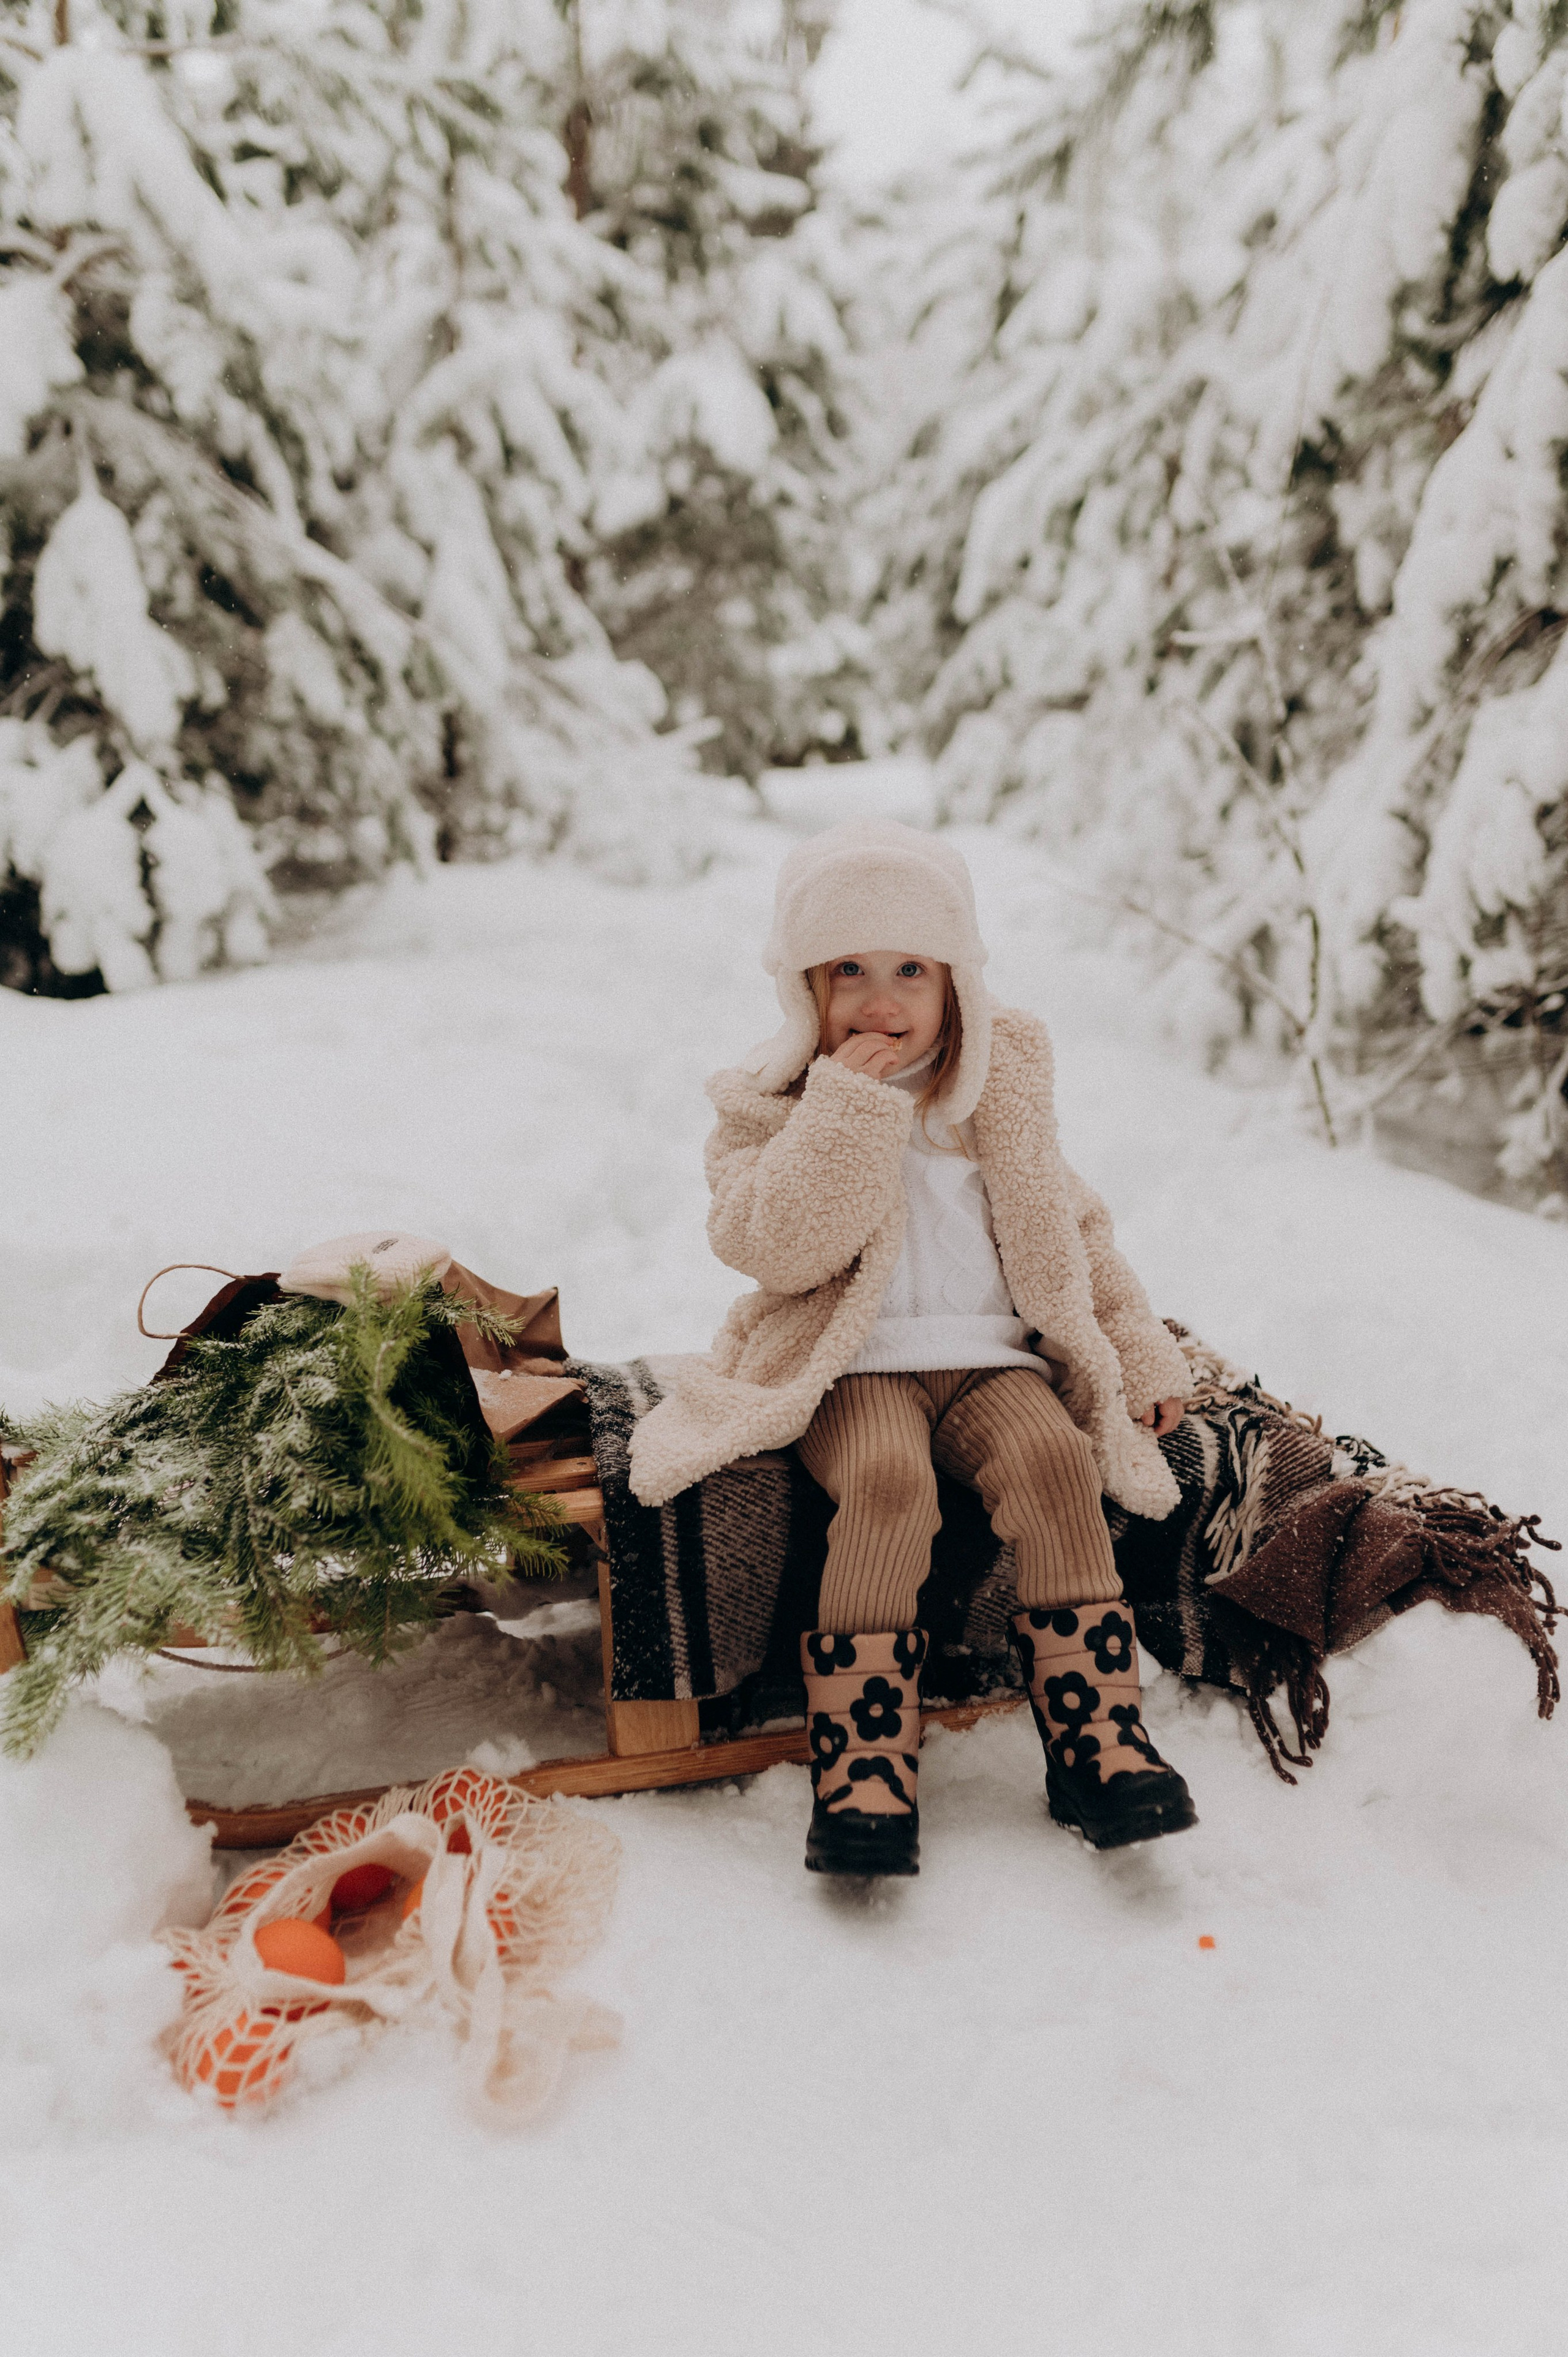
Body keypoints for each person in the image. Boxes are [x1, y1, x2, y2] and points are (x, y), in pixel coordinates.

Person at [629, 820, 1196, 1877]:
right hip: (851, 1365)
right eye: (849, 969)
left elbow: (1073, 1235)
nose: (880, 1000)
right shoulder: (772, 1102)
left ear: (955, 981)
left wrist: (1137, 1347)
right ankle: (865, 1760)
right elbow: (772, 1245)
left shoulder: (993, 1091)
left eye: (910, 970)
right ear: (806, 985)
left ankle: (1097, 1739)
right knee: (888, 1486)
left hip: (993, 1362)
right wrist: (845, 1110)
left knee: (1055, 1461)